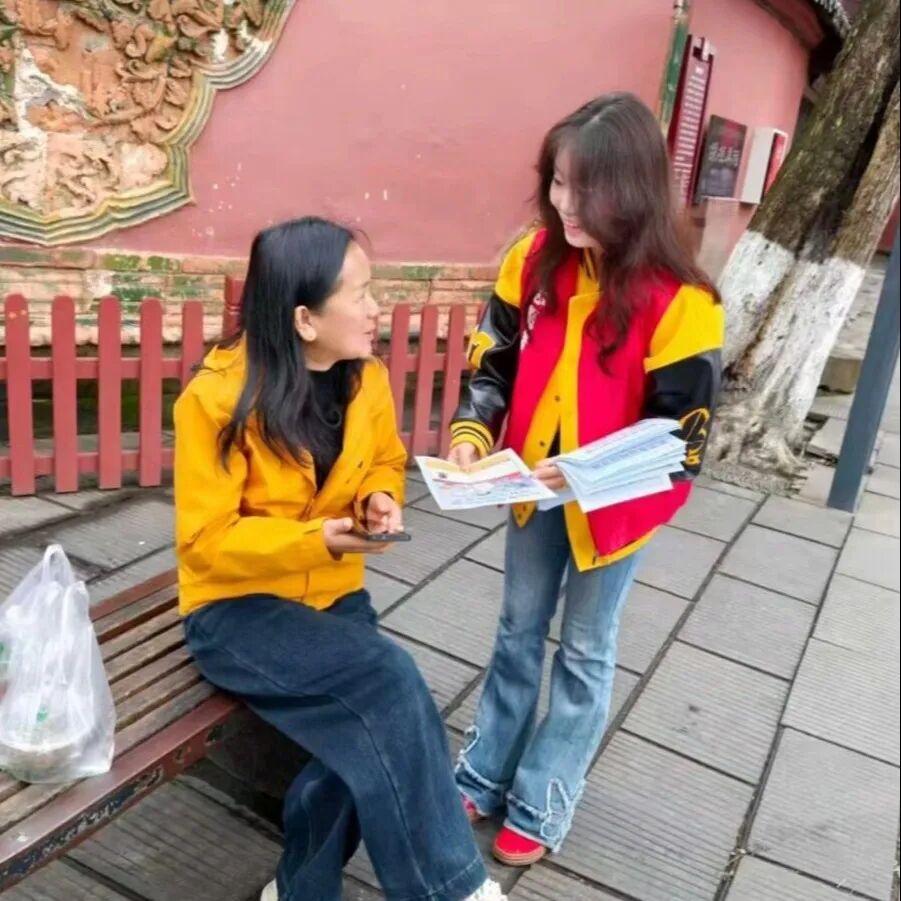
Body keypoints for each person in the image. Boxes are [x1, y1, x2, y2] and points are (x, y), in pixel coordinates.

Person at [174, 217, 506, 901]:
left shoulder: (365, 379)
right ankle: (453, 890)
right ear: (304, 319)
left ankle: (299, 891)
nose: (377, 307)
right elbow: (204, 542)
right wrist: (315, 539)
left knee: (363, 744)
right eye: (359, 294)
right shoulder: (215, 400)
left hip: (331, 593)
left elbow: (384, 459)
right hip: (235, 609)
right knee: (390, 685)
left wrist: (381, 497)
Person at [448, 93, 724, 864]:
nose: (566, 204)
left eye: (586, 188)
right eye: (558, 182)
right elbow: (491, 361)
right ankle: (485, 768)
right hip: (528, 489)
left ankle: (542, 798)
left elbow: (678, 439)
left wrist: (583, 474)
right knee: (515, 629)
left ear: (631, 189)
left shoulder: (683, 302)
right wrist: (472, 434)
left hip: (613, 508)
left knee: (584, 649)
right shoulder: (531, 261)